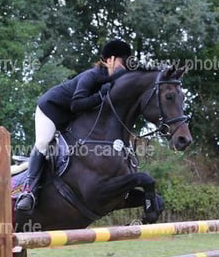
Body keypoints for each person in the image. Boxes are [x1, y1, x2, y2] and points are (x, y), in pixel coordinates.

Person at [15, 39, 132, 211]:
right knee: (43, 142)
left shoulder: (111, 82)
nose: (125, 68)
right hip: (51, 109)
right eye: (123, 63)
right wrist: (100, 96)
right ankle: (28, 192)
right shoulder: (92, 76)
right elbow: (76, 104)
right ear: (110, 60)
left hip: (70, 117)